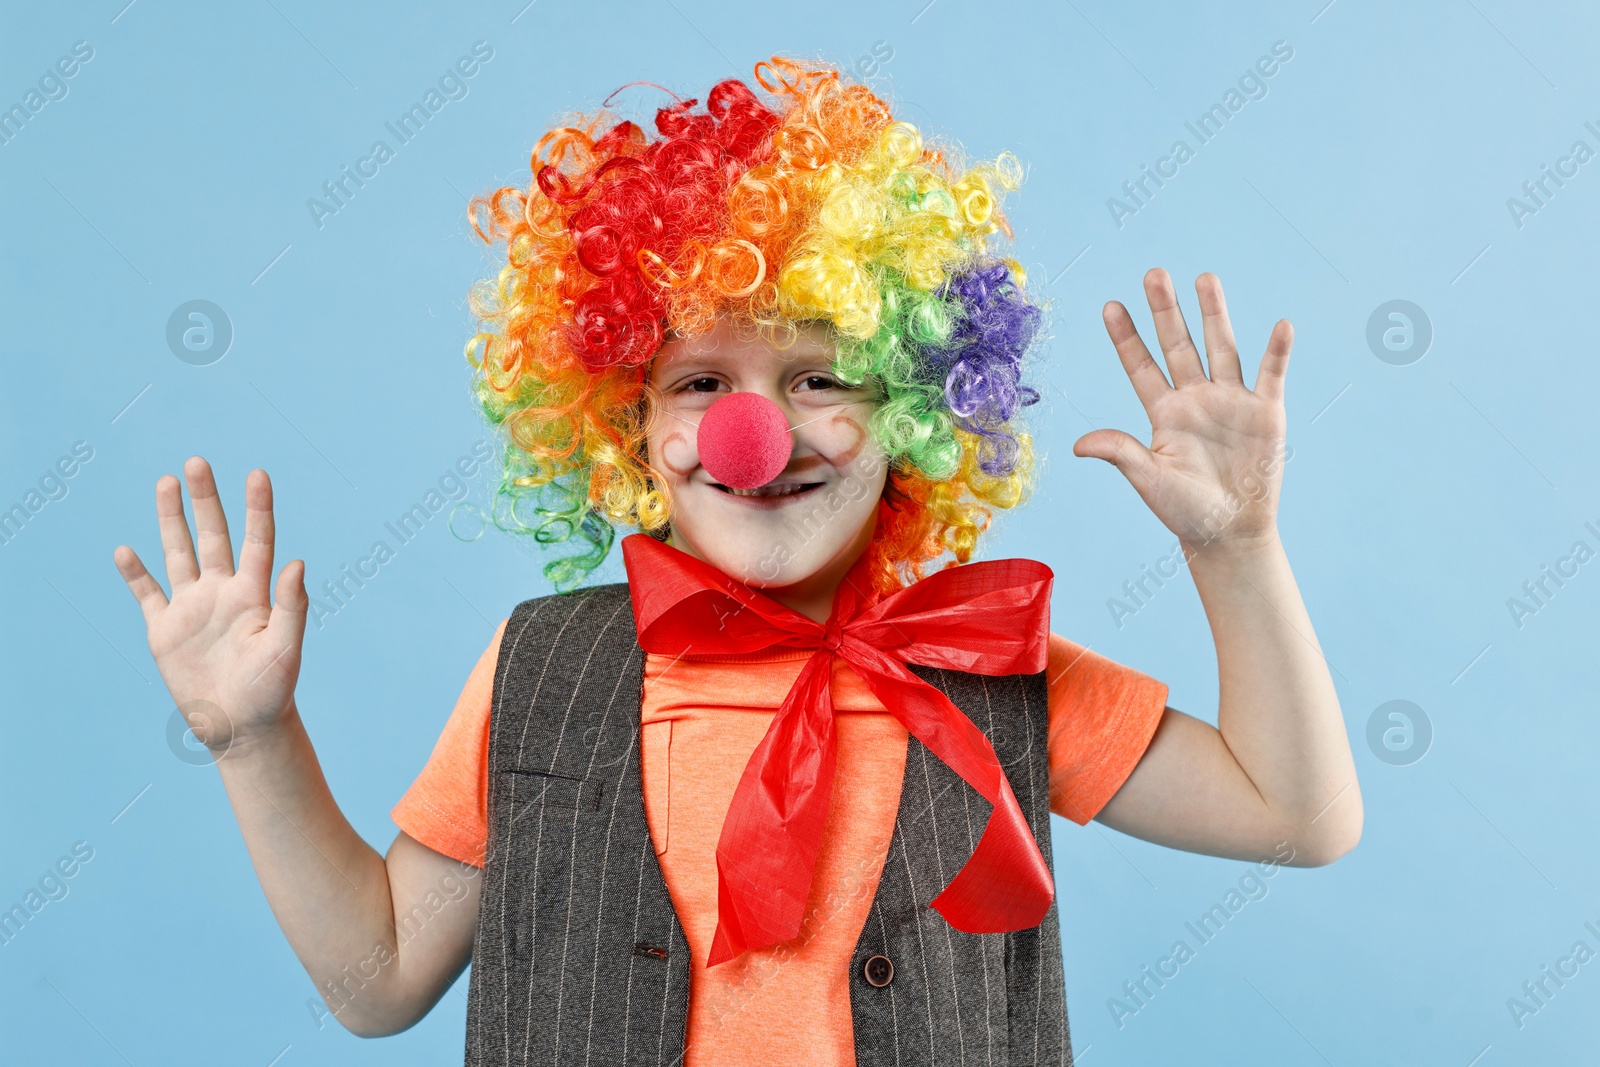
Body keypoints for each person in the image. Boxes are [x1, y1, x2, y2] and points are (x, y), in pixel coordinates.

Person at [111, 53, 1361, 1065]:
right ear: (625, 425)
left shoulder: (992, 665)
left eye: (817, 377)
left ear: (917, 410)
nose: (752, 436)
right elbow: (375, 980)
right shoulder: (543, 667)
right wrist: (252, 741)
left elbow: (1297, 817)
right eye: (699, 381)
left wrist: (1234, 549)